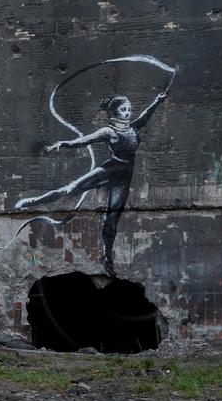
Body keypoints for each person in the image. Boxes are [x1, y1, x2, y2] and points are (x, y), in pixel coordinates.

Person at [15, 91, 167, 276]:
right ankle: (32, 202)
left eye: (129, 109)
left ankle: (106, 257)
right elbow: (84, 140)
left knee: (112, 220)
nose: (128, 112)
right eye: (123, 110)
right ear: (114, 113)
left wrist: (157, 101)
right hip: (109, 169)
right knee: (70, 189)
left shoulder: (134, 128)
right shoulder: (108, 131)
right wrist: (64, 144)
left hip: (123, 179)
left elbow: (146, 115)